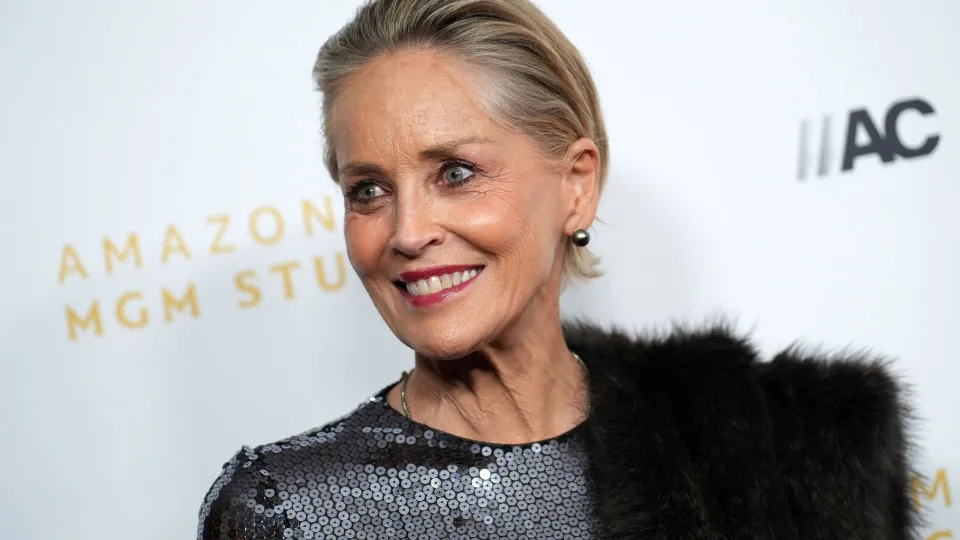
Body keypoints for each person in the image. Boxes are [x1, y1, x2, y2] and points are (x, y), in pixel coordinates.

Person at [197, 0, 917, 538]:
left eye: (455, 173)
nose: (408, 232)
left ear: (576, 186)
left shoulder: (777, 451)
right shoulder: (283, 509)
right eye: (368, 190)